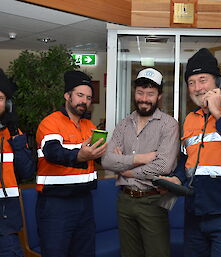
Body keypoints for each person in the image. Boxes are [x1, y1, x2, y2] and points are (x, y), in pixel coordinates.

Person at [160, 48, 221, 257]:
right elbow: (187, 163)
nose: (197, 88)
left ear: (217, 81)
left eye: (202, 80)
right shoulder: (190, 119)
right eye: (191, 82)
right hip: (194, 214)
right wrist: (176, 179)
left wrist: (217, 113)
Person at [101, 68, 179, 257]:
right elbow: (106, 160)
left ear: (159, 96)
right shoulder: (124, 124)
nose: (144, 98)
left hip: (153, 200)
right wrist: (140, 159)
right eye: (140, 92)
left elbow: (163, 165)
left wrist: (126, 169)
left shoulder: (169, 124)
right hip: (125, 200)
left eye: (150, 94)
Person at [35, 70, 107, 257]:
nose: (84, 101)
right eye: (80, 95)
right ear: (67, 96)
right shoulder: (50, 122)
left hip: (84, 202)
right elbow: (53, 152)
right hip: (56, 206)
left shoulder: (90, 127)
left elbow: (99, 158)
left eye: (89, 97)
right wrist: (80, 156)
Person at [0, 69, 35, 257]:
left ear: (8, 104)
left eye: (0, 98)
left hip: (7, 225)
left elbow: (27, 171)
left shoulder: (14, 133)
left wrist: (15, 137)